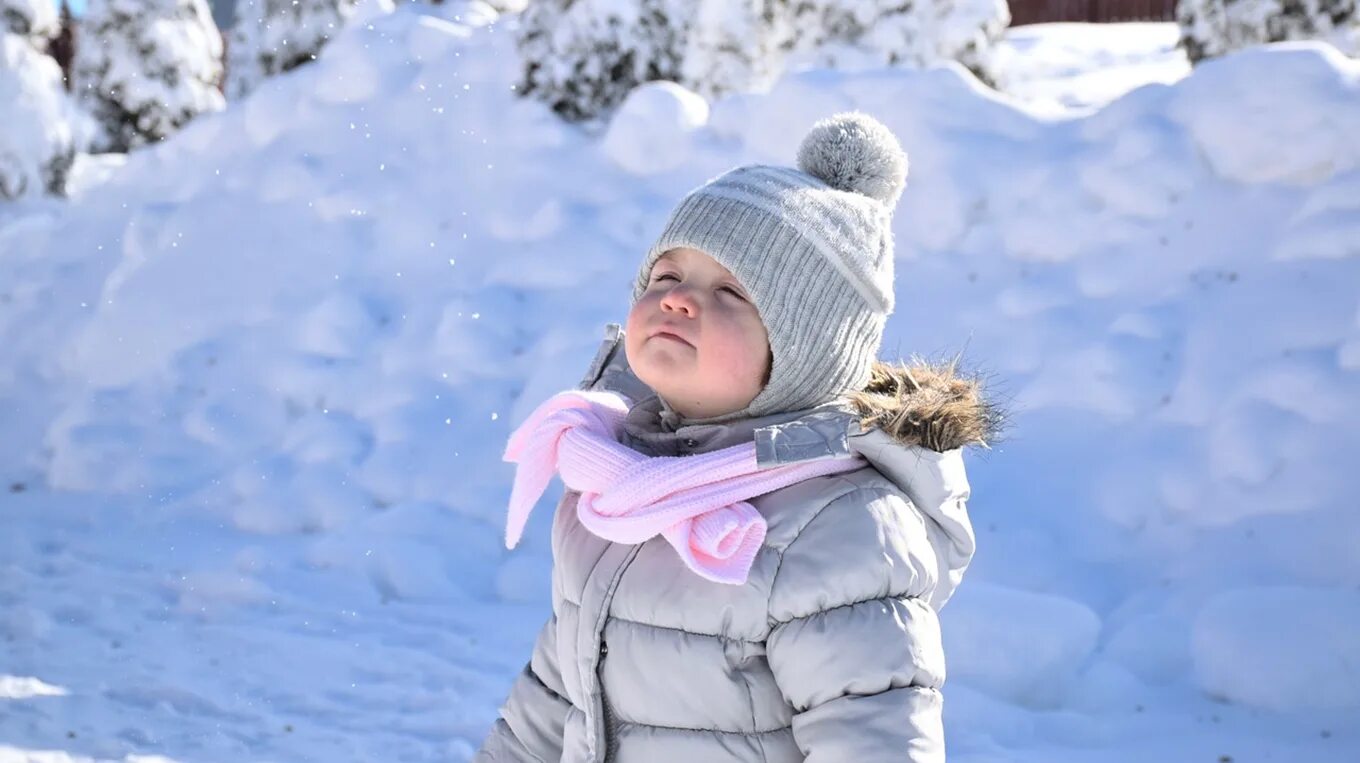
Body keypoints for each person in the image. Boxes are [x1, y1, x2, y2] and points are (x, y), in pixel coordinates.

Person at [475, 111, 1000, 763]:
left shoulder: (837, 526)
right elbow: (555, 695)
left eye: (731, 292)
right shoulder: (616, 484)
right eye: (667, 277)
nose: (678, 300)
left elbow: (873, 738)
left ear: (805, 352)